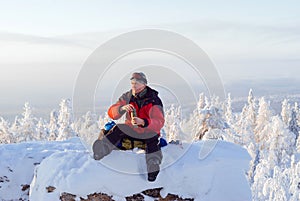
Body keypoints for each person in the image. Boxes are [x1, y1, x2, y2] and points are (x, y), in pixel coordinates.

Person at [93, 72, 165, 182]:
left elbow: (159, 122)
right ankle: (102, 149)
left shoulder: (153, 99)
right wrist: (121, 109)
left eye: (137, 83)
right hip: (131, 130)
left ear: (144, 84)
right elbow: (112, 113)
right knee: (118, 129)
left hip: (147, 131)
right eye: (132, 83)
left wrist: (143, 122)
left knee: (153, 139)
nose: (134, 86)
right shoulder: (127, 96)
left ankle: (153, 165)